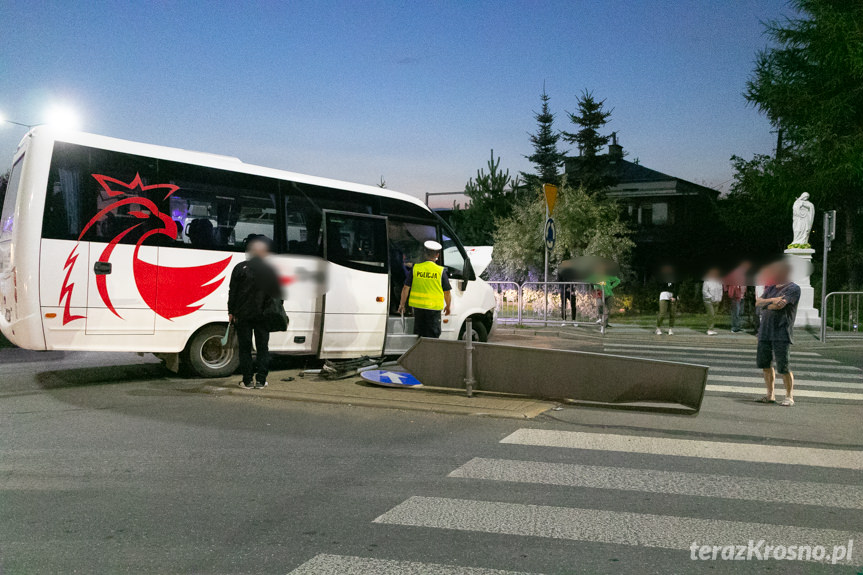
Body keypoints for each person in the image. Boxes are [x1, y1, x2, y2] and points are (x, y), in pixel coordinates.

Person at [228, 235, 281, 389]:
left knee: (244, 349)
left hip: (243, 315)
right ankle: (261, 380)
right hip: (263, 316)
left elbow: (233, 292)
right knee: (263, 348)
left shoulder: (240, 268)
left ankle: (247, 381)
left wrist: (231, 312)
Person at [754, 260, 801, 407]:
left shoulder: (793, 288)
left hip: (781, 331)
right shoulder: (772, 288)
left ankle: (789, 396)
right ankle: (770, 395)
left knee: (783, 366)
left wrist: (766, 303)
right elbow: (758, 302)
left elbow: (779, 306)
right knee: (765, 364)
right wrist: (772, 301)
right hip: (765, 331)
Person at [397, 240, 452, 338]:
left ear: (425, 254)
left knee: (420, 336)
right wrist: (448, 306)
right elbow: (447, 292)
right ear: (437, 255)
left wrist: (402, 305)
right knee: (432, 337)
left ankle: (420, 353)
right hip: (434, 310)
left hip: (418, 309)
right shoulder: (440, 271)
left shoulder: (416, 268)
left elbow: (406, 288)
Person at [587, 266, 620, 334]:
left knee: (607, 309)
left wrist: (611, 286)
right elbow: (588, 280)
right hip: (599, 294)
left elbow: (618, 280)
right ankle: (600, 319)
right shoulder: (594, 276)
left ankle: (605, 324)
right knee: (599, 305)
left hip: (608, 294)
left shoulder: (607, 276)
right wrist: (593, 286)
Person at [724, 261, 750, 333]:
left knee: (741, 312)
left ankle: (738, 326)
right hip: (735, 295)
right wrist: (727, 291)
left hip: (742, 296)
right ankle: (734, 327)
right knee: (736, 312)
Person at [655, 266, 676, 335]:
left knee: (672, 313)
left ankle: (670, 329)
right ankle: (658, 327)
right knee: (662, 313)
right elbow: (660, 286)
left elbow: (677, 287)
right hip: (664, 295)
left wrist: (674, 296)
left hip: (672, 295)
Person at [702, 268, 723, 335]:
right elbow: (704, 291)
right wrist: (711, 297)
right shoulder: (707, 281)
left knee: (714, 315)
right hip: (708, 301)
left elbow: (720, 290)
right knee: (711, 314)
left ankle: (711, 328)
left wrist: (719, 298)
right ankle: (709, 329)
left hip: (716, 301)